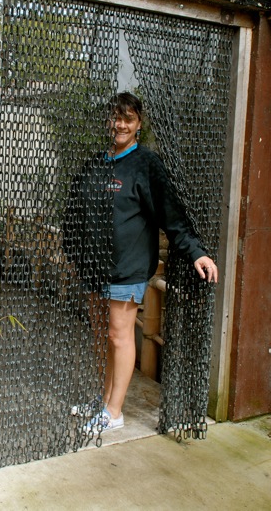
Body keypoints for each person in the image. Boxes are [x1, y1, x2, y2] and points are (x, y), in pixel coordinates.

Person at [63, 92, 218, 433]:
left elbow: (170, 214)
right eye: (116, 118)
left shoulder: (146, 164)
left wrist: (196, 251)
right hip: (94, 267)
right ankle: (102, 400)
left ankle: (114, 412)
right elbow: (73, 212)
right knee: (101, 335)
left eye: (128, 119)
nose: (120, 124)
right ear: (109, 121)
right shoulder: (95, 164)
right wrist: (75, 255)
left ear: (138, 125)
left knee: (120, 335)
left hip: (128, 267)